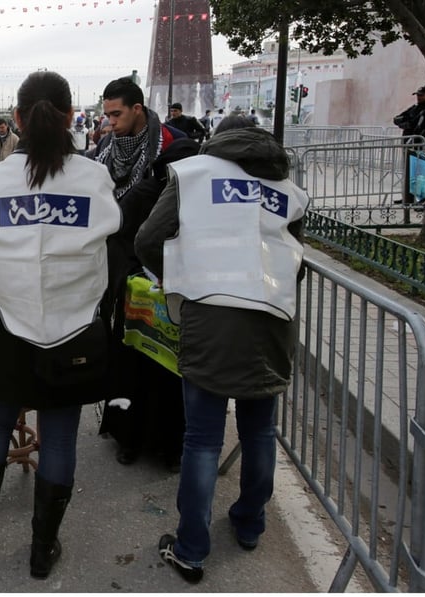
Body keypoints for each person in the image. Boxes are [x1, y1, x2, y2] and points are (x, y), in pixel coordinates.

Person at [0, 71, 121, 579]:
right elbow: (106, 244)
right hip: (76, 324)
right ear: (72, 117)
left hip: (7, 318)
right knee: (62, 435)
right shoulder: (94, 178)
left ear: (18, 119)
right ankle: (41, 551)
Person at [135, 116, 309, 583]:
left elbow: (148, 239)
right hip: (272, 320)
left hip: (210, 317)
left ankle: (191, 549)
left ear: (219, 142)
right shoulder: (286, 189)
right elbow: (297, 263)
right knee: (259, 430)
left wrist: (179, 279)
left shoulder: (193, 174)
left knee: (203, 439)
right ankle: (250, 523)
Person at [98, 136, 199, 469]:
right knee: (132, 373)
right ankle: (129, 440)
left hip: (176, 303)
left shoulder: (200, 198)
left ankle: (169, 447)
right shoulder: (144, 195)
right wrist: (136, 275)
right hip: (138, 304)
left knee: (171, 381)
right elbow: (119, 239)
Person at [96, 76, 185, 201]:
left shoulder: (172, 141)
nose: (111, 122)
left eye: (116, 114)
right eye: (107, 115)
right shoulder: (104, 146)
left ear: (136, 109)